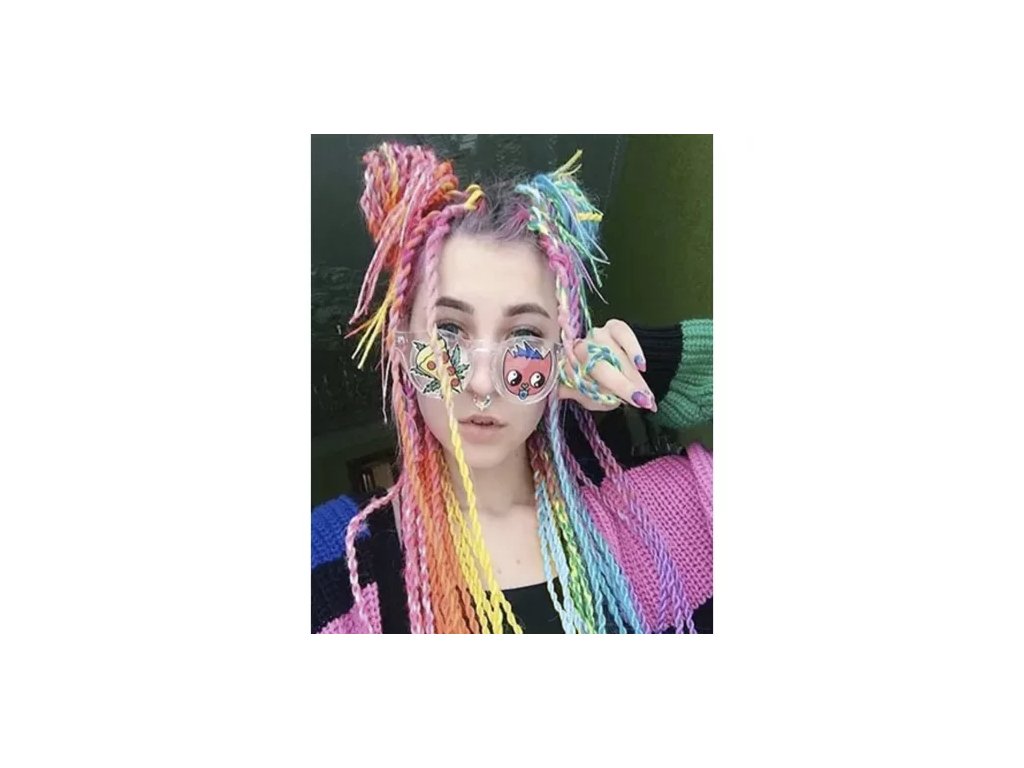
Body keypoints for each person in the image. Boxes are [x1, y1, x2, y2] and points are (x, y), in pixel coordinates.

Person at [312, 142, 713, 634]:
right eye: (447, 331)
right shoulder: (332, 561)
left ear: (561, 354)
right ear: (402, 349)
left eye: (524, 336)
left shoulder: (672, 510)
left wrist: (659, 360)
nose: (482, 383)